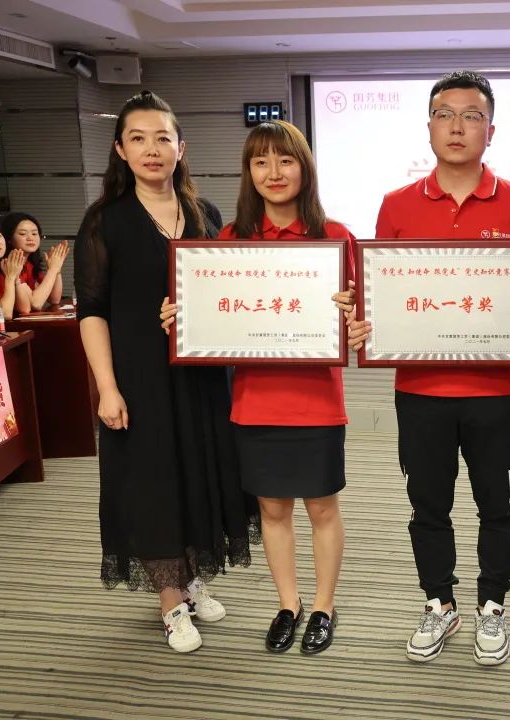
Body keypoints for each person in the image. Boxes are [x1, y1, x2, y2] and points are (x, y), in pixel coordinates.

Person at [347, 70, 510, 666]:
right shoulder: (397, 205)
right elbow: (383, 296)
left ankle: (492, 605)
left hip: (495, 390)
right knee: (428, 505)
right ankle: (439, 602)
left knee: (498, 506)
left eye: (471, 115)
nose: (457, 126)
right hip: (420, 389)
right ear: (429, 127)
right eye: (444, 114)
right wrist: (366, 327)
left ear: (492, 130)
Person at [74, 90, 258, 654]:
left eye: (162, 138)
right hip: (139, 377)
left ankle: (193, 578)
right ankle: (170, 602)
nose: (151, 149)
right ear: (120, 150)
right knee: (152, 481)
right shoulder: (104, 221)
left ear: (181, 147)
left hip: (202, 376)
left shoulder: (206, 215)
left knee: (199, 474)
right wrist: (107, 387)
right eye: (138, 139)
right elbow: (91, 312)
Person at [162, 120, 350, 655]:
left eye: (285, 160)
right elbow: (213, 317)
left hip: (317, 400)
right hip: (255, 400)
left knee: (322, 508)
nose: (274, 172)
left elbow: (360, 320)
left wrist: (355, 318)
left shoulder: (335, 237)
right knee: (272, 510)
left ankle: (323, 606)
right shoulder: (229, 241)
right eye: (260, 162)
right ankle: (288, 604)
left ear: (304, 168)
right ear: (248, 172)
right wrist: (182, 319)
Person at [0, 212, 69, 315]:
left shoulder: (30, 264)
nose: (30, 238)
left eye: (34, 233)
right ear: (9, 239)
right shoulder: (8, 265)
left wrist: (57, 269)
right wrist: (52, 270)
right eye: (23, 234)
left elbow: (54, 299)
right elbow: (36, 303)